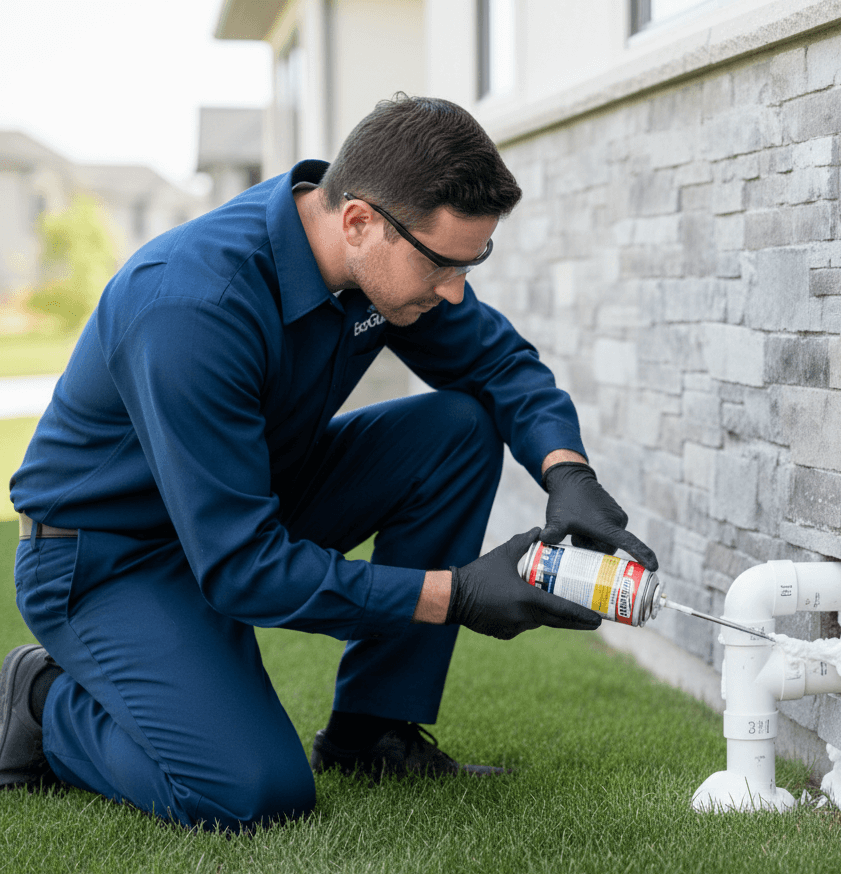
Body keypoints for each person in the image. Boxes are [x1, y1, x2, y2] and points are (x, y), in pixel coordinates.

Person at [2, 95, 657, 832]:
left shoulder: (376, 262)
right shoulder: (192, 306)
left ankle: (370, 733)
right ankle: (40, 703)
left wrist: (569, 472)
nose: (456, 291)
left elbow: (498, 363)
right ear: (358, 221)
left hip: (254, 503)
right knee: (251, 795)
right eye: (443, 263)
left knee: (457, 427)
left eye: (473, 262)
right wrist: (458, 595)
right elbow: (242, 568)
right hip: (110, 559)